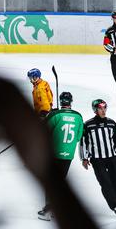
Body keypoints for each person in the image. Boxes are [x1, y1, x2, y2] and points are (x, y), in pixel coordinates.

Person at [38, 92, 84, 221]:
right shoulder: (78, 116)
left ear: (60, 101)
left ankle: (49, 209)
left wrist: (48, 116)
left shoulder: (55, 115)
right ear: (71, 101)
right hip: (68, 154)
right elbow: (78, 137)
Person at [79, 99, 116, 215]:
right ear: (95, 110)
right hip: (97, 159)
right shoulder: (88, 125)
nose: (103, 111)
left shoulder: (112, 123)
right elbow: (83, 142)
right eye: (100, 109)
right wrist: (84, 158)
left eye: (104, 108)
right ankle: (115, 205)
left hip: (112, 156)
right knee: (105, 182)